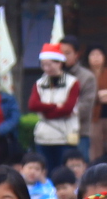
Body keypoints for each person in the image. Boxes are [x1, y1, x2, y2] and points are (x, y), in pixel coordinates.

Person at [29, 44, 83, 174]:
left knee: (63, 172)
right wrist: (55, 106)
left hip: (65, 136)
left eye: (50, 64)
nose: (46, 68)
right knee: (45, 171)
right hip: (43, 137)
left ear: (59, 63)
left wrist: (45, 111)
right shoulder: (40, 83)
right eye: (43, 65)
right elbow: (33, 105)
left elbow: (67, 108)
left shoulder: (72, 83)